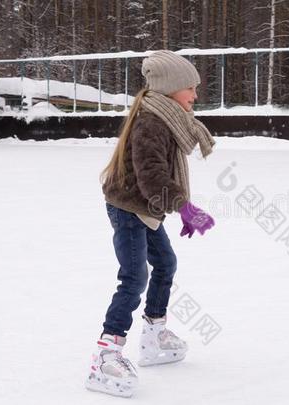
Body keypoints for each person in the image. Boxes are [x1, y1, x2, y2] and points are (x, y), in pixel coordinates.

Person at [84, 50, 216, 398]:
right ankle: (106, 353)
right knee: (134, 278)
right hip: (128, 208)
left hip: (144, 207)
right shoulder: (151, 122)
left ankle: (155, 334)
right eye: (191, 87)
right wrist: (184, 207)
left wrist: (175, 206)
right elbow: (152, 177)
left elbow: (155, 180)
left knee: (166, 264)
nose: (195, 95)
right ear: (172, 88)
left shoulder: (167, 116)